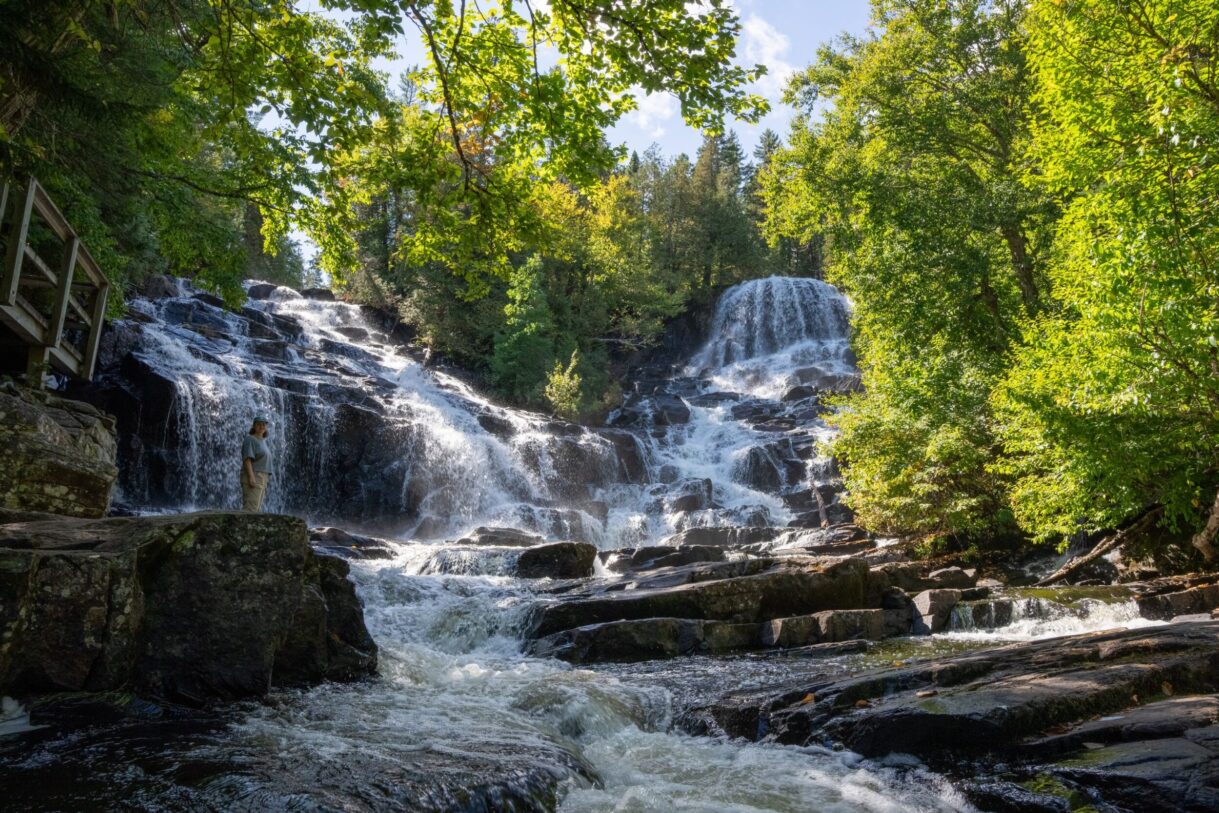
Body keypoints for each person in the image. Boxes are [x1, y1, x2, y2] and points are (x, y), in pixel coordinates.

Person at [241, 416, 272, 512]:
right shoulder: (250, 439)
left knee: (256, 509)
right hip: (255, 475)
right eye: (258, 424)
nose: (261, 426)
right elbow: (247, 459)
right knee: (251, 509)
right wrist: (251, 476)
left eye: (264, 424)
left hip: (262, 477)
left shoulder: (263, 441)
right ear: (254, 426)